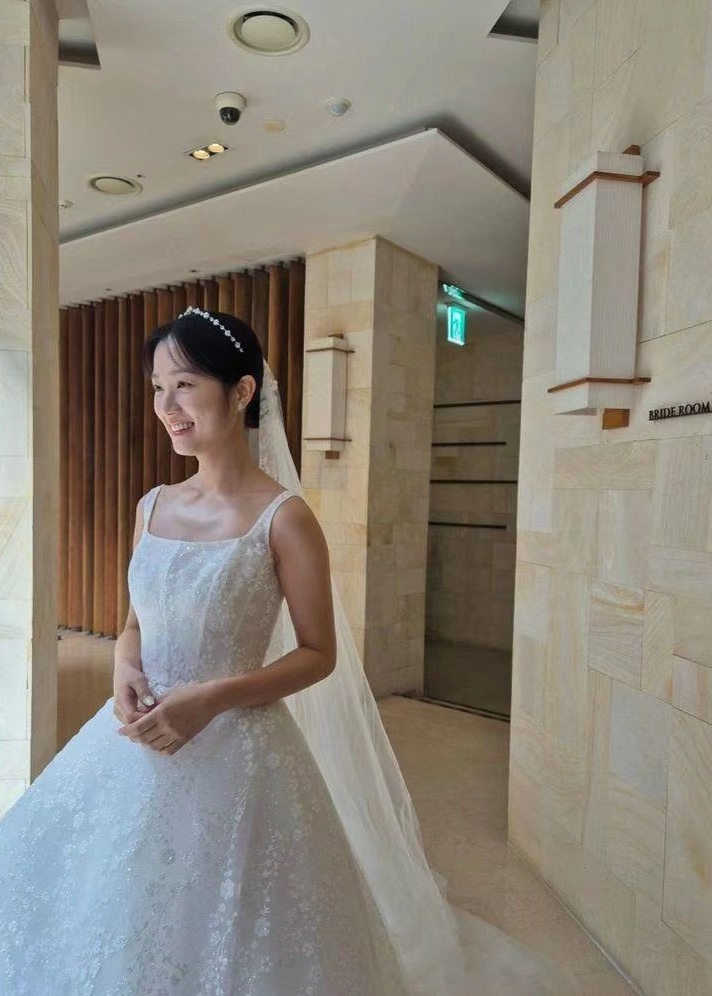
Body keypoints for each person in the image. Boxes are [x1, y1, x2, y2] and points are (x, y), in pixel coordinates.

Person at [0, 307, 580, 995]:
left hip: (240, 752)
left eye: (184, 385)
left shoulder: (285, 518)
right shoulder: (151, 506)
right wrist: (125, 663)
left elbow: (317, 653)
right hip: (136, 737)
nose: (166, 407)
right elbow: (133, 622)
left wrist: (209, 699)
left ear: (242, 392)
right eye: (157, 388)